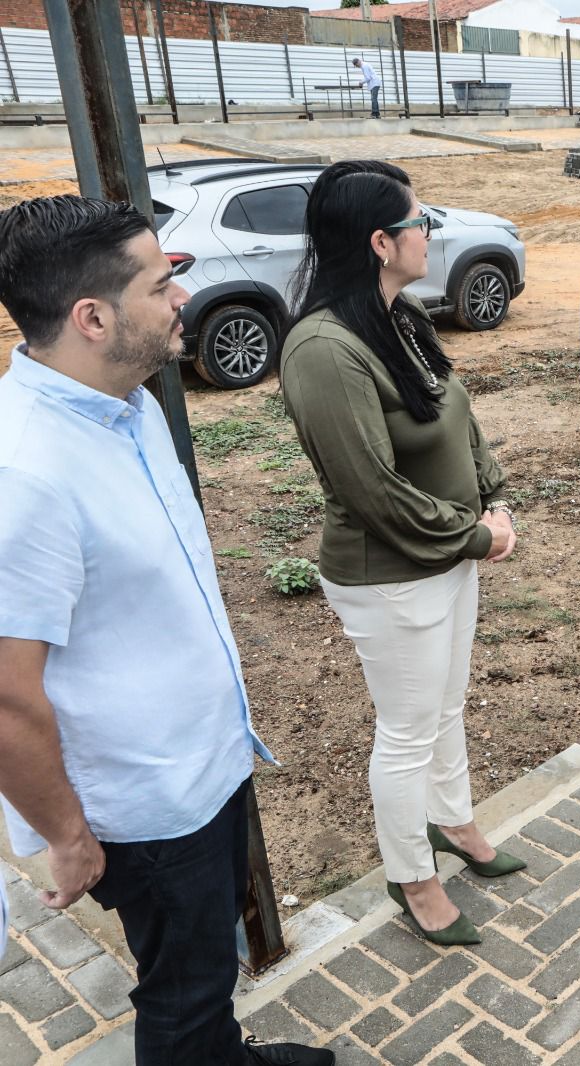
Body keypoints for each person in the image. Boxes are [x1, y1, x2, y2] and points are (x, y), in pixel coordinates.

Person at [0, 195, 330, 1065]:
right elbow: (5, 698)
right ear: (92, 317)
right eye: (163, 283)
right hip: (143, 810)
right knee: (180, 997)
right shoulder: (24, 473)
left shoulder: (129, 403)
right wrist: (68, 838)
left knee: (206, 972)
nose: (182, 295)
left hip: (205, 762)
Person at [280, 162, 524, 948]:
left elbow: (456, 411)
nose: (431, 234)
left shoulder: (402, 313)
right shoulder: (324, 349)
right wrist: (474, 535)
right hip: (392, 576)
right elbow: (371, 490)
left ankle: (453, 821)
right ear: (382, 241)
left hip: (448, 556)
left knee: (446, 706)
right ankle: (410, 873)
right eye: (420, 222)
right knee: (408, 728)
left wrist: (492, 494)